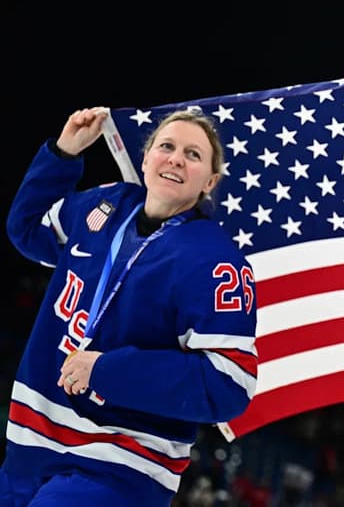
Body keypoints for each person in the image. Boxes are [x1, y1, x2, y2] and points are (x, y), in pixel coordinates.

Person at [1, 108, 258, 506]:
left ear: (210, 181)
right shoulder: (105, 204)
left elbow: (229, 384)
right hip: (29, 449)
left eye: (193, 154)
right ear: (145, 158)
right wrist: (63, 154)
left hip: (122, 466)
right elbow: (27, 230)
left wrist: (108, 370)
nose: (176, 159)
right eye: (166, 146)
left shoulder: (215, 262)